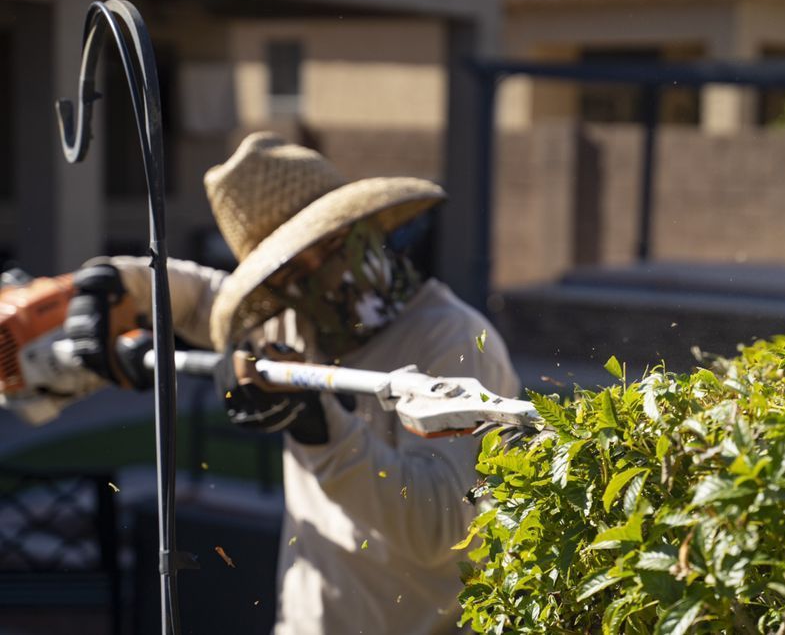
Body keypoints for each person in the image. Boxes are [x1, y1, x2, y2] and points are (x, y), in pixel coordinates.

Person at [64, 132, 520, 634]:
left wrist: (321, 429)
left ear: (361, 225)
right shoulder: (295, 320)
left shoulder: (455, 339)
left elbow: (447, 530)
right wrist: (115, 283)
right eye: (289, 272)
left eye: (325, 248)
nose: (319, 278)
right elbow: (199, 299)